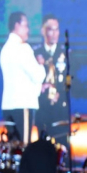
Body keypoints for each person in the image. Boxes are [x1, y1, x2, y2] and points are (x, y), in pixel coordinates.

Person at [0, 12, 46, 144]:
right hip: (22, 105)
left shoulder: (5, 49)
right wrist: (41, 64)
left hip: (8, 105)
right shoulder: (23, 48)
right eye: (26, 26)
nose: (28, 30)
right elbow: (38, 75)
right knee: (23, 148)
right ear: (17, 26)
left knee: (13, 149)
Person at [33, 15, 68, 144]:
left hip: (60, 108)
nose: (54, 34)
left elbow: (70, 79)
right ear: (43, 31)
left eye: (57, 29)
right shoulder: (35, 53)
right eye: (50, 29)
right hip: (42, 107)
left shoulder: (65, 52)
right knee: (42, 144)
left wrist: (61, 93)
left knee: (62, 144)